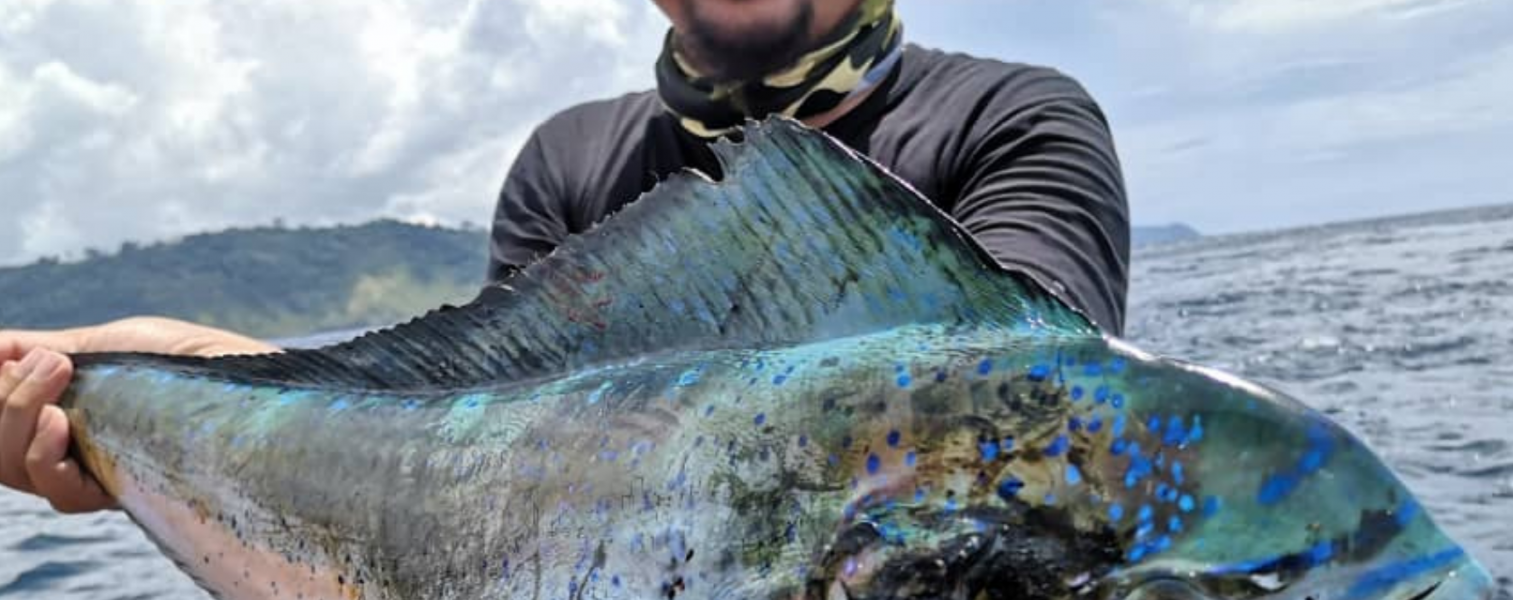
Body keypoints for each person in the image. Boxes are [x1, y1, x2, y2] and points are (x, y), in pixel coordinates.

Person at [0, 0, 1127, 514]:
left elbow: (1030, 429)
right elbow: (481, 458)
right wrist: (155, 393)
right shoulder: (570, 155)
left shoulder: (1013, 117)